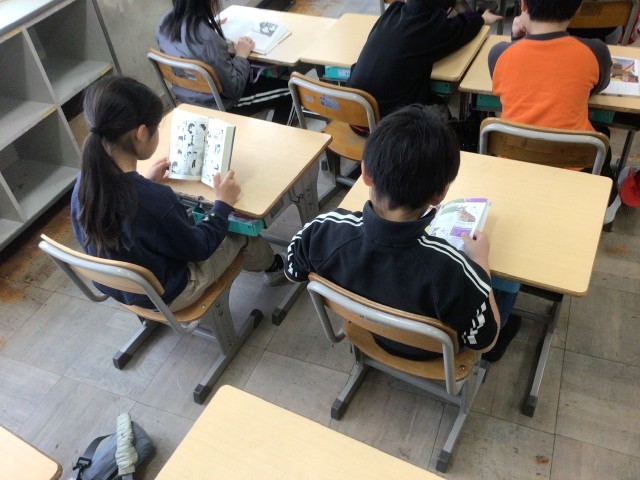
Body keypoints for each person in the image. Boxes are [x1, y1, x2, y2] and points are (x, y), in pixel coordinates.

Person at [286, 106, 522, 361]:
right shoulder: (456, 272)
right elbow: (484, 341)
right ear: (440, 194)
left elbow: (292, 270)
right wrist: (481, 263)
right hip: (433, 355)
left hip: (369, 332)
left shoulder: (322, 230)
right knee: (507, 283)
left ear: (365, 173)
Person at [71, 76, 285, 312]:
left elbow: (129, 213)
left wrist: (145, 182)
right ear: (141, 133)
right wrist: (223, 204)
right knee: (238, 229)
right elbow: (200, 248)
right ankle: (275, 269)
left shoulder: (86, 181)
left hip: (124, 288)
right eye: (157, 127)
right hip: (170, 292)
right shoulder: (153, 199)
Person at [347, 0, 503, 121]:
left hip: (352, 113)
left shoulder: (392, 12)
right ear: (446, 11)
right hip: (389, 127)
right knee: (440, 111)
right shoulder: (432, 28)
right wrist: (481, 18)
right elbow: (463, 28)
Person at [155, 0, 292, 124]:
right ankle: (280, 140)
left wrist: (207, 26)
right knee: (290, 91)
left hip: (187, 98)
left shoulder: (165, 22)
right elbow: (234, 89)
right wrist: (241, 55)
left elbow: (188, 46)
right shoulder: (208, 39)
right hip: (220, 105)